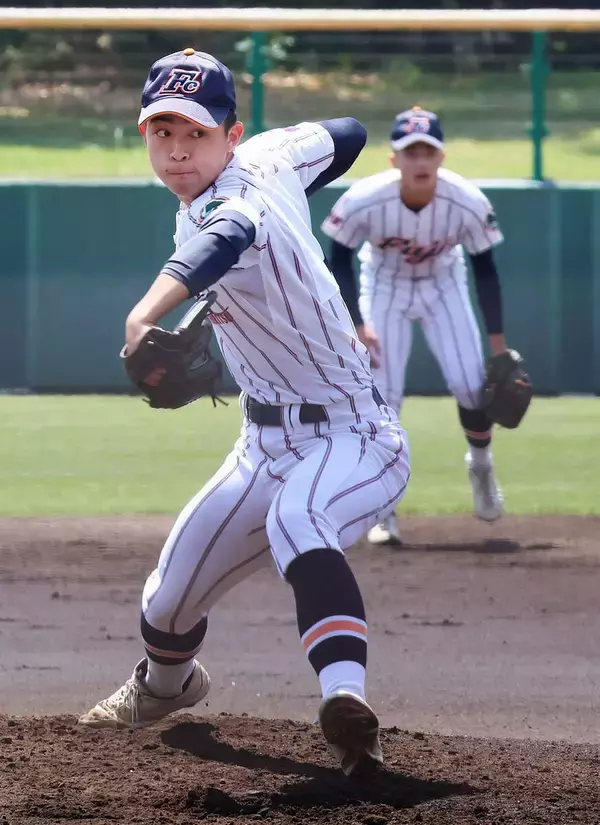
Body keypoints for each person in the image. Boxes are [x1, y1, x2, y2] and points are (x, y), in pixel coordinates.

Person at [77, 49, 411, 778]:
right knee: (167, 602)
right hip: (261, 441)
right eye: (161, 132)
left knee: (301, 519)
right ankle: (167, 688)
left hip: (355, 433)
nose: (176, 149)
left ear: (229, 137)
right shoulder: (274, 155)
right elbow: (350, 131)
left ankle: (348, 713)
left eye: (195, 134)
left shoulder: (237, 200)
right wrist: (301, 176)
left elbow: (224, 238)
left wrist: (143, 313)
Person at [322, 106, 507, 547]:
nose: (420, 161)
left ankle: (480, 464)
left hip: (444, 284)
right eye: (411, 152)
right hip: (384, 286)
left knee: (470, 384)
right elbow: (338, 257)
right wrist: (357, 323)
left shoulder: (466, 201)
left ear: (441, 157)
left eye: (428, 151)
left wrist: (498, 345)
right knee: (384, 399)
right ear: (394, 159)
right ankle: (384, 509)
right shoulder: (365, 198)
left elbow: (485, 269)